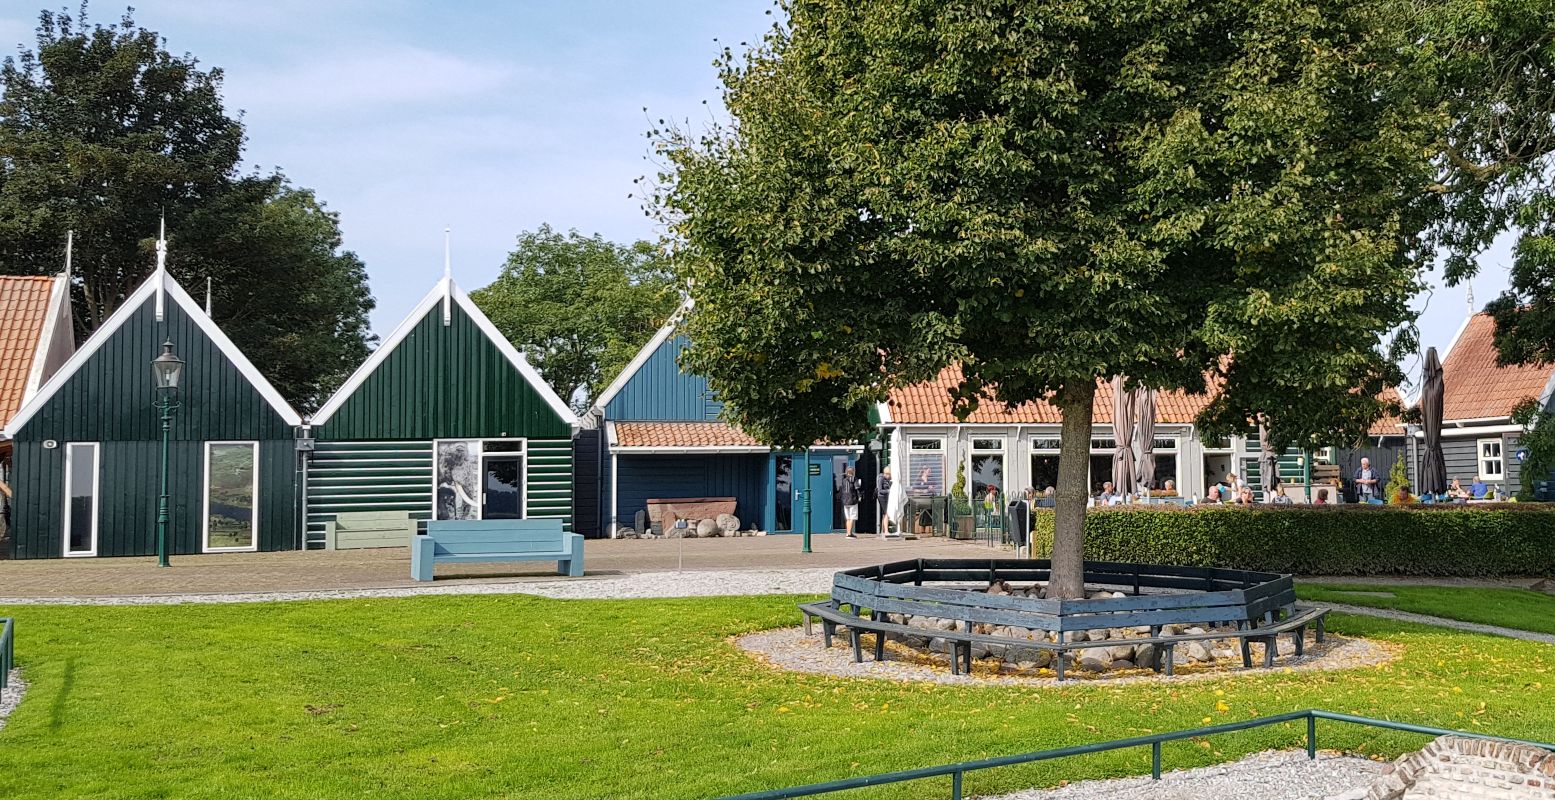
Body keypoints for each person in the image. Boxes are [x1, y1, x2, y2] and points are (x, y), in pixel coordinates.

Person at [840, 466, 862, 538]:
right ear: (853, 472)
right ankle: (850, 534)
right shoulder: (855, 479)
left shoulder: (844, 480)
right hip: (853, 500)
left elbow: (842, 490)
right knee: (852, 517)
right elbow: (857, 488)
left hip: (845, 501)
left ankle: (847, 533)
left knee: (848, 518)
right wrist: (860, 496)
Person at [876, 467, 893, 536]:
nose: (889, 476)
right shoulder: (881, 478)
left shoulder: (888, 479)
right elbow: (880, 490)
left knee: (885, 513)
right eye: (888, 474)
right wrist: (889, 491)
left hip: (886, 497)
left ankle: (883, 530)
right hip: (882, 497)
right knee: (886, 513)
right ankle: (886, 530)